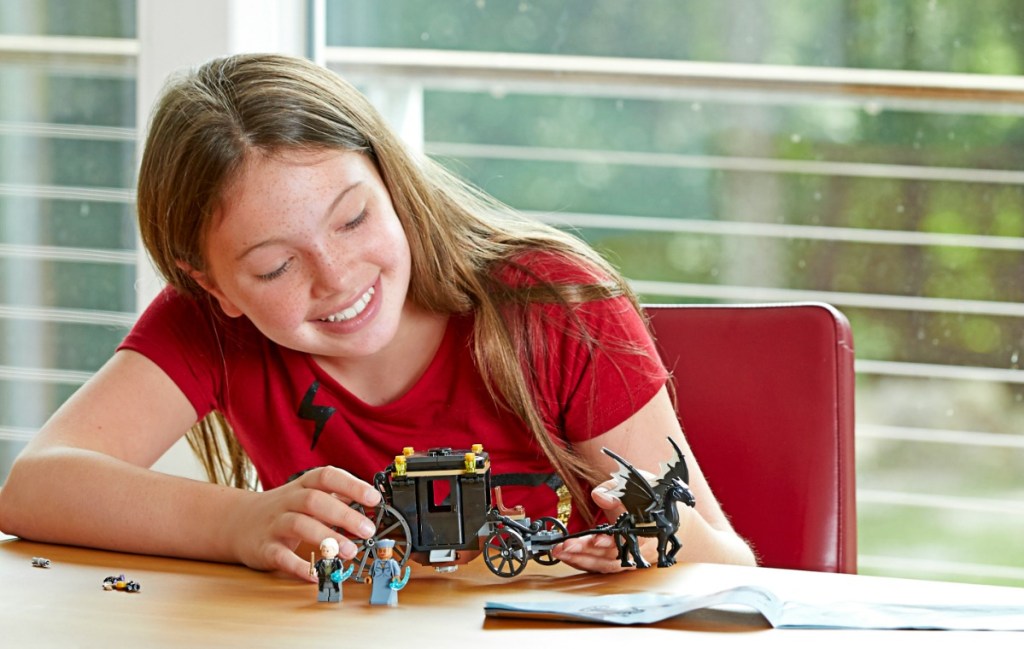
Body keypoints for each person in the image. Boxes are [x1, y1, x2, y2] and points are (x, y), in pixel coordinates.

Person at [0, 53, 755, 582]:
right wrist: (240, 524)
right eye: (275, 266)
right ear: (213, 285)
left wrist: (659, 540)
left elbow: (728, 566)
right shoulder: (209, 326)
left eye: (353, 219)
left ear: (391, 180)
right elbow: (35, 486)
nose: (337, 277)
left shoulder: (552, 305)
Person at [366, 539, 407, 606]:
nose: (382, 553)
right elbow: (371, 571)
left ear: (391, 551)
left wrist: (396, 576)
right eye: (380, 551)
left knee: (388, 592)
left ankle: (389, 600)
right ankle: (375, 600)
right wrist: (369, 577)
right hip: (377, 581)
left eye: (384, 551)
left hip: (388, 580)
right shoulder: (375, 562)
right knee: (376, 592)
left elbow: (397, 570)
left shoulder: (392, 563)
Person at [311, 537, 350, 603]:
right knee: (323, 590)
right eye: (323, 550)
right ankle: (323, 598)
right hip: (323, 578)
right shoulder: (320, 561)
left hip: (333, 579)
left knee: (334, 590)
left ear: (335, 551)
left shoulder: (337, 561)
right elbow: (316, 567)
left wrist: (338, 573)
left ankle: (334, 598)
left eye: (327, 550)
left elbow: (340, 568)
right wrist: (314, 570)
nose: (325, 552)